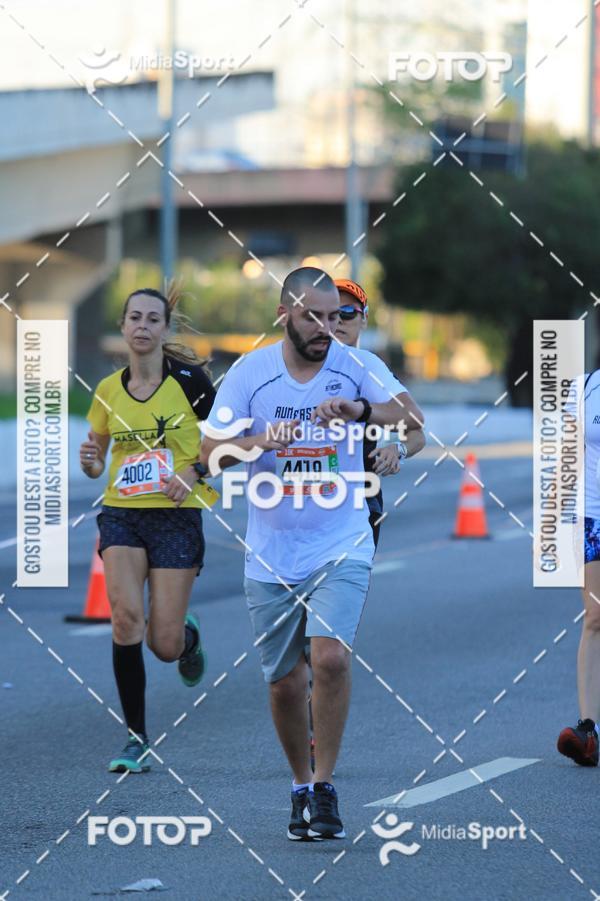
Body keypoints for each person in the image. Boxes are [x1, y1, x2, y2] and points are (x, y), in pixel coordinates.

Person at [200, 267, 424, 840]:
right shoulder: (250, 374)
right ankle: (299, 784)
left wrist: (365, 416)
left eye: (334, 317)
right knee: (283, 682)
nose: (326, 327)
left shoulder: (355, 367)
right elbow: (211, 455)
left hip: (342, 535)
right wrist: (258, 442)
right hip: (272, 548)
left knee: (329, 659)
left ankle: (325, 785)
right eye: (313, 316)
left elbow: (411, 417)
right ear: (285, 315)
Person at [80, 287, 217, 773]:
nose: (142, 325)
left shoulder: (191, 382)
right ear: (122, 326)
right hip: (123, 513)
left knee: (163, 645)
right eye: (134, 317)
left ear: (164, 329)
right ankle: (136, 738)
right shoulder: (107, 390)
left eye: (152, 318)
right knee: (124, 620)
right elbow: (97, 461)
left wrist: (195, 472)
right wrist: (92, 462)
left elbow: (228, 442)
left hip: (177, 517)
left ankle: (187, 637)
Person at [333, 278, 425, 547]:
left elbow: (417, 431)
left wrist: (397, 449)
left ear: (364, 320)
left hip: (359, 503)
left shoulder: (372, 369)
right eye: (329, 313)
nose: (338, 320)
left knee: (344, 586)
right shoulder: (294, 367)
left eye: (348, 313)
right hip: (298, 503)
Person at [557, 370, 600, 766]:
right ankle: (589, 730)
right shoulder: (585, 386)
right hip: (593, 516)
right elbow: (568, 454)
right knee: (594, 618)